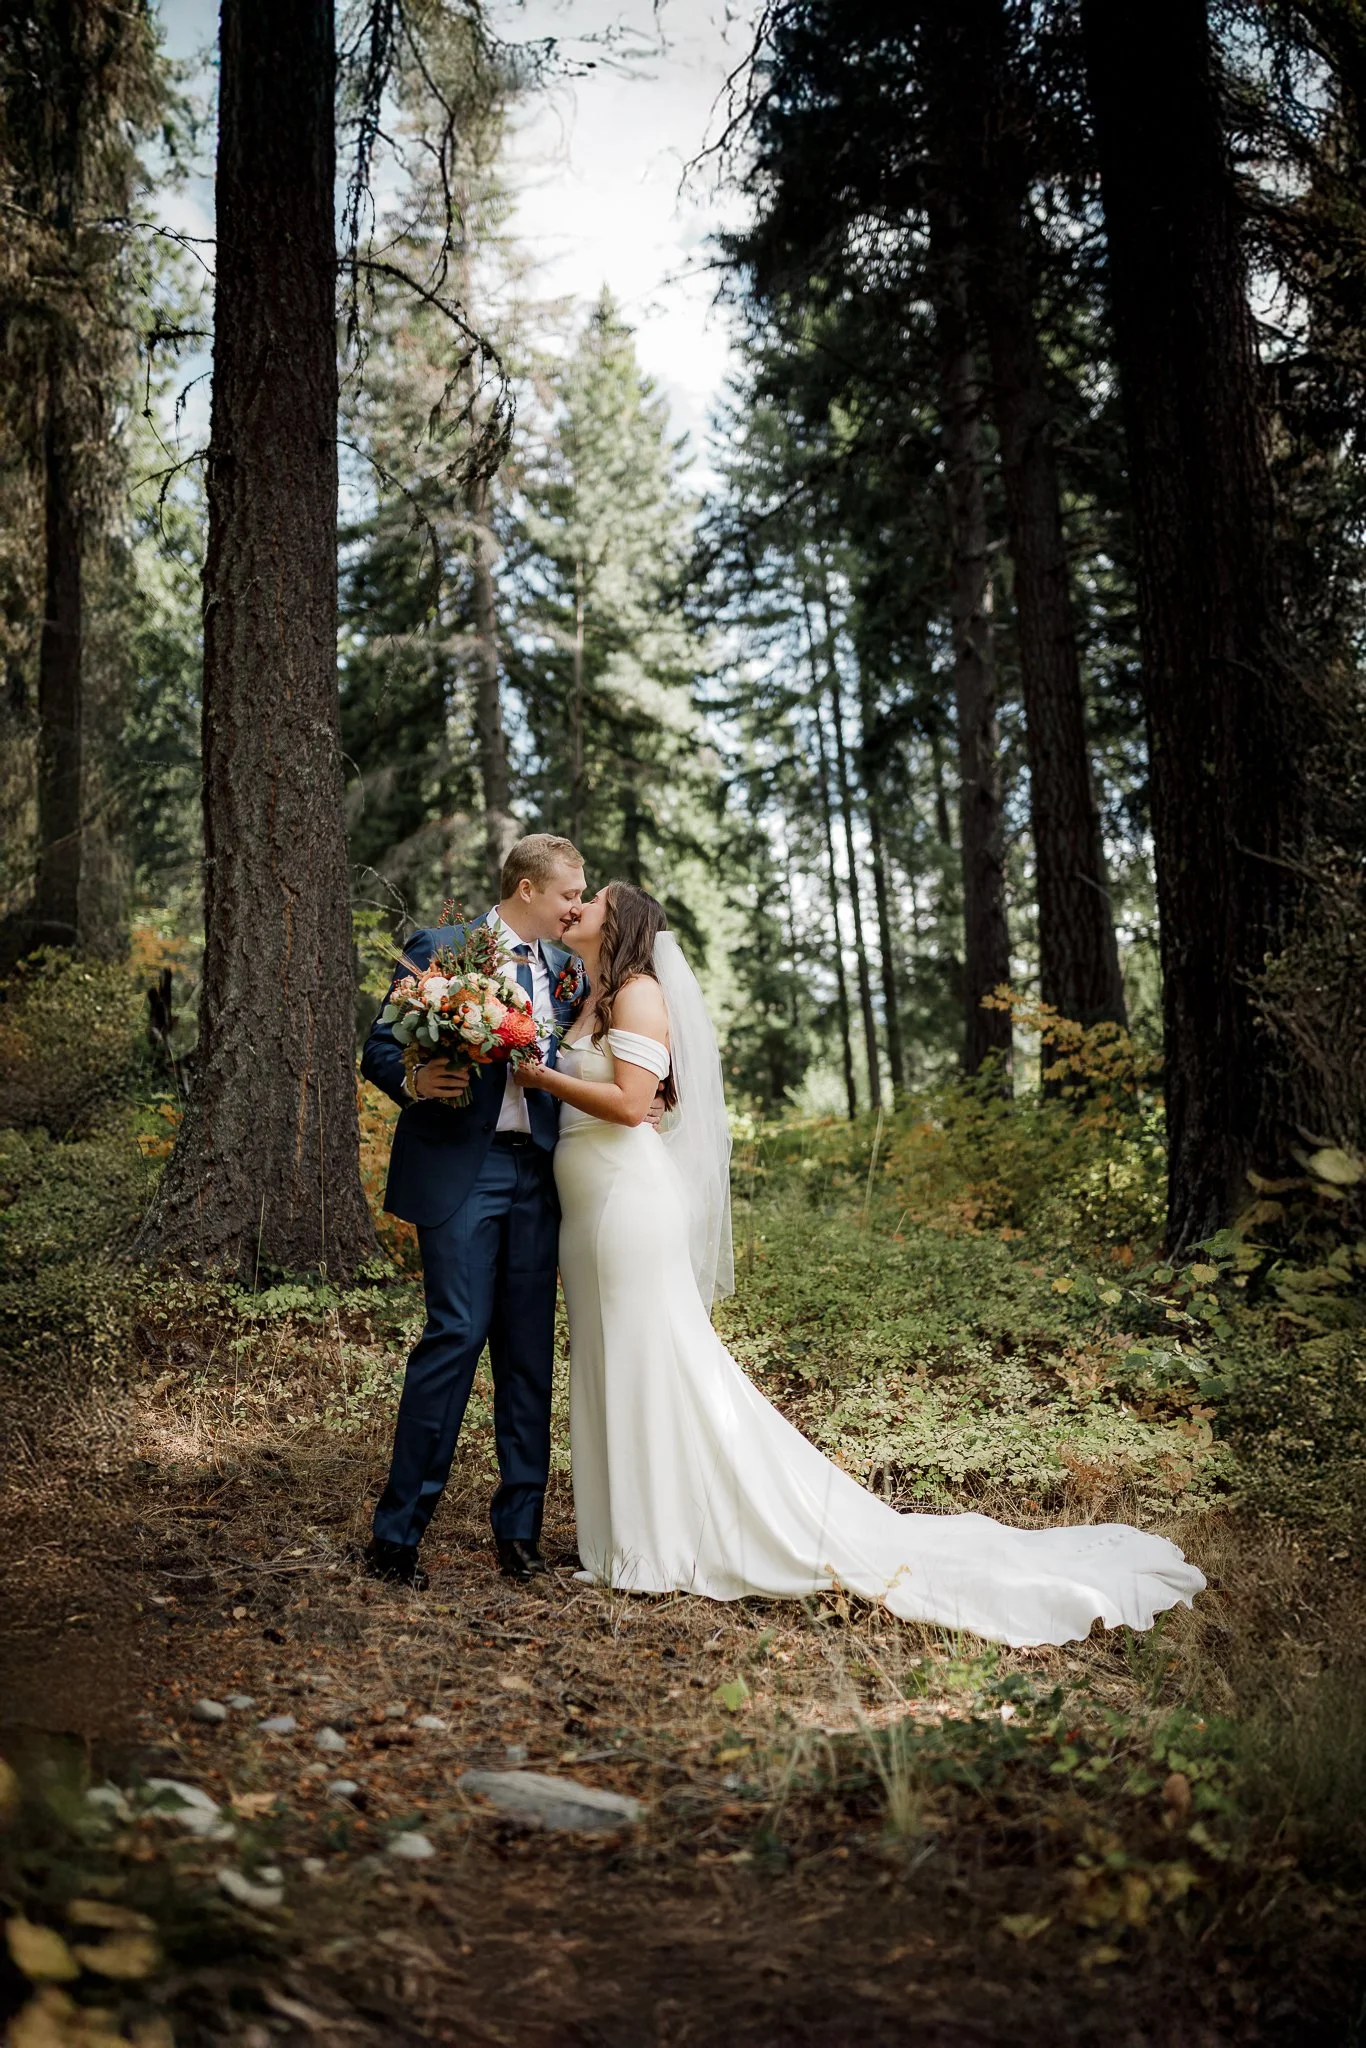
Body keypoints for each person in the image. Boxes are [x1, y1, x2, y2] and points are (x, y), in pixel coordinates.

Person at [517, 881, 1207, 1648]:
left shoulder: (639, 991)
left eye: (596, 899)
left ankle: (661, 1543)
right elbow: (641, 1096)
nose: (579, 906)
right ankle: (619, 1542)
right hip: (585, 1207)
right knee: (610, 1359)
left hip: (626, 1204)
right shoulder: (585, 992)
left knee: (650, 1359)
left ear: (626, 922)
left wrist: (537, 1075)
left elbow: (626, 1101)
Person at [358, 834, 588, 1588]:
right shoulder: (442, 947)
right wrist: (417, 1081)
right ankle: (396, 1537)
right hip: (465, 1167)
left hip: (540, 1175)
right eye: (567, 895)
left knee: (527, 1354)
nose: (575, 908)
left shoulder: (569, 969)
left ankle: (519, 1536)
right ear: (526, 888)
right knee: (454, 1334)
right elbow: (381, 1049)